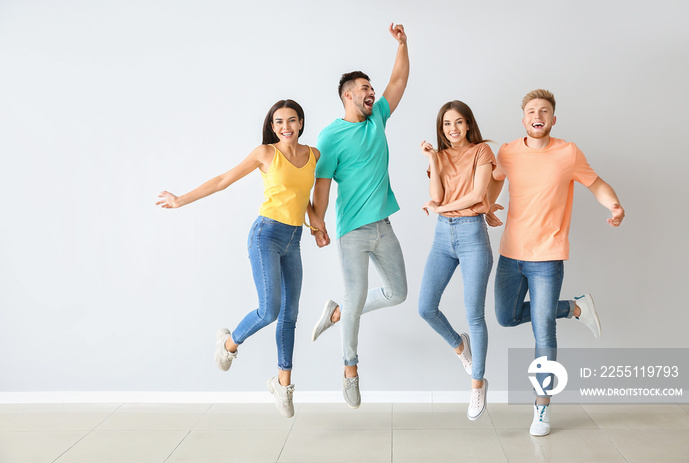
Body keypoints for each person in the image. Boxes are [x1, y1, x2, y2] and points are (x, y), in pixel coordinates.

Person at [156, 100, 323, 418]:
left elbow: (305, 200)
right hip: (265, 236)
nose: (285, 126)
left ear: (301, 123)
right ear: (272, 126)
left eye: (291, 120)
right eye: (278, 122)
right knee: (269, 309)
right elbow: (223, 180)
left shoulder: (313, 155)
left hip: (294, 240)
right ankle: (229, 343)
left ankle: (282, 383)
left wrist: (317, 226)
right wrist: (180, 200)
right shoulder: (266, 153)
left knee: (290, 314)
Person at [486, 89, 625, 436]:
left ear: (553, 119)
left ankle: (541, 408)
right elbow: (492, 181)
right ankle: (576, 308)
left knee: (542, 329)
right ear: (524, 119)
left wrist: (615, 205)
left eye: (545, 111)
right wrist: (488, 205)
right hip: (510, 255)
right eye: (532, 110)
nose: (538, 115)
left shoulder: (567, 153)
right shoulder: (508, 151)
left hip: (548, 257)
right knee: (505, 317)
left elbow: (597, 184)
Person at [308, 23, 410, 409]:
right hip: (351, 231)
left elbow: (398, 79)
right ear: (348, 96)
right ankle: (350, 368)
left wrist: (403, 44)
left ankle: (338, 311)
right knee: (356, 296)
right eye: (365, 89)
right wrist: (317, 224)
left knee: (397, 293)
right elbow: (322, 185)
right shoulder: (331, 136)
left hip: (384, 227)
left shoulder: (377, 118)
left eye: (372, 88)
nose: (372, 93)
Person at [418, 101, 496, 421]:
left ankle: (477, 384)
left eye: (459, 122)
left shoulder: (481, 152)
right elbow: (436, 197)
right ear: (441, 129)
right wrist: (433, 162)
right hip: (442, 237)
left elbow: (478, 195)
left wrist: (443, 209)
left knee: (474, 315)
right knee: (425, 307)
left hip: (472, 236)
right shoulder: (440, 156)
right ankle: (458, 345)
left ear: (468, 125)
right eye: (447, 124)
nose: (453, 129)